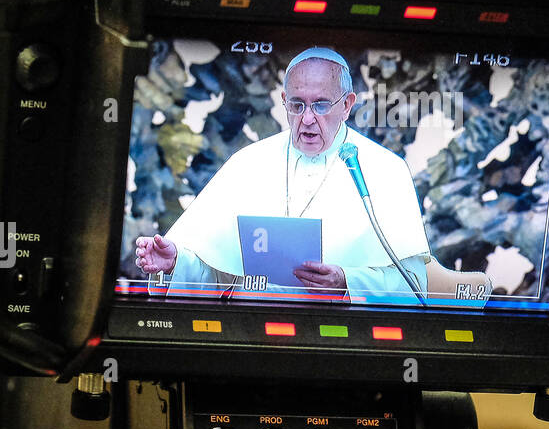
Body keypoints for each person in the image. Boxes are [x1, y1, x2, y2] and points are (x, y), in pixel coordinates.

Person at [136, 47, 433, 304]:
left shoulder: (386, 169)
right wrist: (176, 262)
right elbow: (214, 272)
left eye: (320, 105)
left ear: (347, 104)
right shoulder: (248, 163)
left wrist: (347, 282)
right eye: (297, 104)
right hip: (253, 333)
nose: (306, 119)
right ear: (284, 101)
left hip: (348, 337)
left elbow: (414, 285)